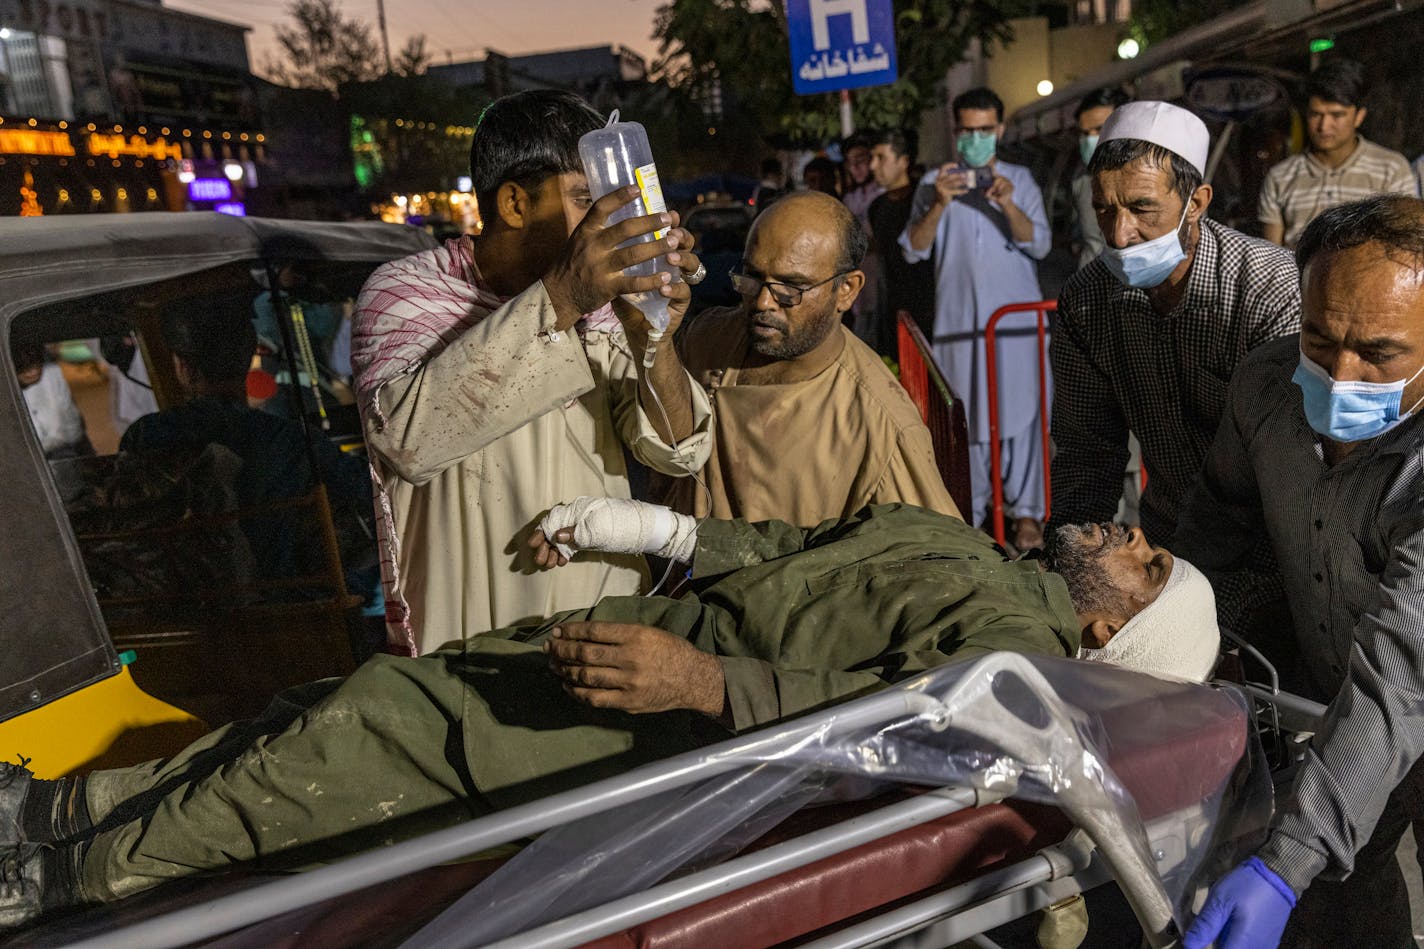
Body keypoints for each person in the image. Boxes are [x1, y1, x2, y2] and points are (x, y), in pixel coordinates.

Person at [0, 500, 1220, 926]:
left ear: (1112, 635)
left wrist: (708, 690)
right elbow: (797, 547)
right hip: (624, 651)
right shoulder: (967, 545)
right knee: (321, 707)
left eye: (1145, 560)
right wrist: (657, 531)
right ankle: (58, 808)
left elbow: (896, 726)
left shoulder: (1014, 661)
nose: (1124, 534)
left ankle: (52, 881)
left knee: (334, 753)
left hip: (648, 716)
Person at [351, 89, 713, 656]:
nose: (611, 223)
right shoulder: (406, 294)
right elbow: (408, 443)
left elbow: (678, 450)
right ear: (515, 204)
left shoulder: (604, 307)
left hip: (608, 627)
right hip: (466, 646)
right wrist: (565, 295)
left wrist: (655, 334)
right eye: (585, 199)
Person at [1178, 195, 1424, 949]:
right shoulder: (1266, 386)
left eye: (1378, 353)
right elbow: (1218, 527)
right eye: (1319, 339)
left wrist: (1282, 865)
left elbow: (1401, 675)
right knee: (1343, 896)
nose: (1341, 375)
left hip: (1393, 690)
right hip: (1335, 706)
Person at [1048, 101, 1300, 553]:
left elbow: (1294, 457)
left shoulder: (1267, 288)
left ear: (1196, 203)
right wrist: (1073, 564)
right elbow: (1086, 453)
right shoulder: (1087, 301)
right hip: (1171, 540)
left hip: (1274, 543)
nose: (1120, 234)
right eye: (1104, 210)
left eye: (1143, 209)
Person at [658, 191, 959, 526]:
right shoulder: (709, 339)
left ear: (847, 290)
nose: (762, 303)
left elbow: (935, 558)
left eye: (791, 289)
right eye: (752, 278)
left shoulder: (881, 427)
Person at [120, 300, 376, 596]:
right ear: (249, 357)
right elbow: (369, 493)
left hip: (184, 609)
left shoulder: (144, 436)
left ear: (183, 367)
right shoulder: (290, 439)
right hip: (291, 607)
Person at [900, 86, 1052, 549]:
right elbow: (913, 249)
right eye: (967, 130)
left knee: (1025, 416)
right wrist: (941, 202)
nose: (976, 138)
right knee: (973, 423)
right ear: (955, 131)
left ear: (1000, 130)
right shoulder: (933, 184)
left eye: (985, 130)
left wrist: (1007, 203)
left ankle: (1028, 515)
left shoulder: (1020, 179)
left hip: (1018, 328)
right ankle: (980, 511)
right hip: (961, 329)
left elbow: (1040, 244)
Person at [1258, 58, 1413, 250]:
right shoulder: (1280, 177)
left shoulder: (1392, 169)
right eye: (1316, 114)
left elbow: (1405, 246)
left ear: (1359, 116)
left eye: (1337, 115)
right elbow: (1272, 256)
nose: (1324, 126)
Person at [867, 128, 935, 350]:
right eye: (872, 158)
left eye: (881, 158)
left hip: (929, 308)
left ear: (903, 161)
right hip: (893, 311)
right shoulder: (876, 207)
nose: (873, 166)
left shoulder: (924, 200)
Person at [1071, 87, 1130, 270]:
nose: (1090, 140)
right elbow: (1080, 238)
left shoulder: (1153, 180)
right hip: (1092, 287)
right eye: (1084, 133)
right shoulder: (1081, 181)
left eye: (1099, 129)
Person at [12, 338, 92, 461]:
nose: (33, 371)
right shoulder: (8, 394)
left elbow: (69, 414)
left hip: (73, 450)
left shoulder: (51, 373)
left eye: (35, 364)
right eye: (25, 367)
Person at [840, 134, 886, 350]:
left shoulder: (883, 193)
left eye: (860, 160)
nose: (855, 167)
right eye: (850, 162)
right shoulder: (850, 199)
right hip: (859, 293)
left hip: (881, 283)